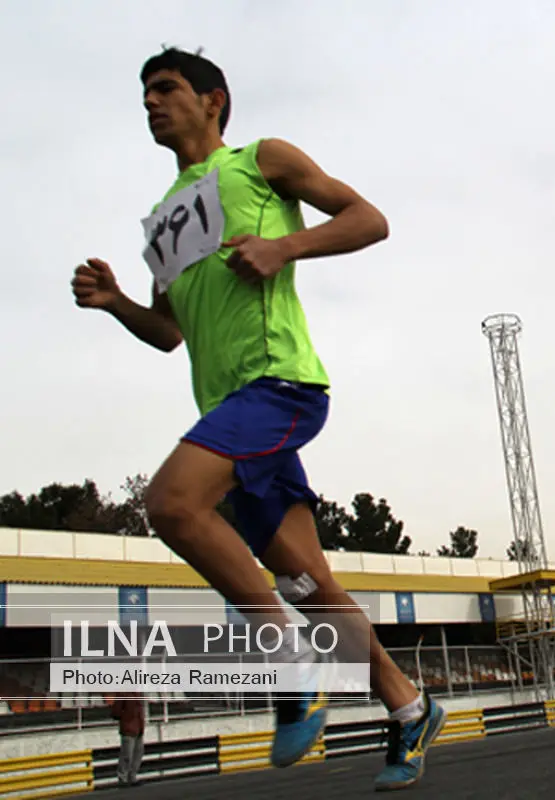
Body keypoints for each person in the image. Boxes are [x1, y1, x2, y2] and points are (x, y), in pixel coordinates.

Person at [70, 48, 443, 791]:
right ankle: (407, 705)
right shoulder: (167, 222)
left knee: (172, 503)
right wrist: (118, 306)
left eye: (166, 88)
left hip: (279, 385)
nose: (151, 102)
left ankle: (284, 655)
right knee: (308, 583)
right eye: (144, 93)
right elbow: (170, 332)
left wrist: (285, 245)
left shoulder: (259, 160)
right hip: (228, 412)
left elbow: (370, 219)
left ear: (213, 101)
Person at [112, 693, 145, 787]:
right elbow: (116, 712)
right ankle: (123, 778)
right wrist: (125, 718)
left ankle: (132, 776)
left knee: (138, 753)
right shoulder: (123, 693)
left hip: (138, 728)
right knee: (127, 755)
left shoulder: (138, 694)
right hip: (128, 728)